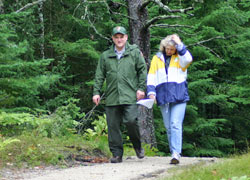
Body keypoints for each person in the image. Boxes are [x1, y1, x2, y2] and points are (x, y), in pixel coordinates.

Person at [92, 26, 147, 163]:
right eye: (116, 37)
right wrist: (96, 92)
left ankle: (138, 146)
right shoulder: (105, 56)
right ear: (113, 39)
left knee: (130, 120)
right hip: (112, 96)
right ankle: (117, 154)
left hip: (130, 95)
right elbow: (99, 76)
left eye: (121, 37)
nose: (119, 40)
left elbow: (142, 70)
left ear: (126, 37)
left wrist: (141, 88)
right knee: (113, 125)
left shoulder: (134, 53)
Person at [147, 34, 193, 164]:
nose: (169, 51)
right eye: (167, 48)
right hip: (163, 97)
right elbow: (151, 76)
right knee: (168, 127)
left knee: (175, 124)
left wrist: (179, 44)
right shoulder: (157, 58)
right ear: (164, 47)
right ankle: (173, 151)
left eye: (172, 49)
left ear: (176, 49)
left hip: (179, 96)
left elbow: (189, 59)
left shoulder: (181, 57)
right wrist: (151, 92)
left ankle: (176, 153)